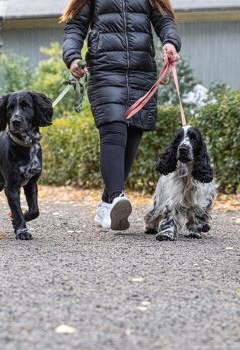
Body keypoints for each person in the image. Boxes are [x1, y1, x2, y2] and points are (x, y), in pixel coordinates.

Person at [61, 0, 181, 231]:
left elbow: (165, 20)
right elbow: (75, 26)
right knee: (114, 130)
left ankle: (107, 204)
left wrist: (170, 42)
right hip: (105, 71)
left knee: (133, 135)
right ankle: (116, 197)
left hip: (142, 74)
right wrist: (73, 57)